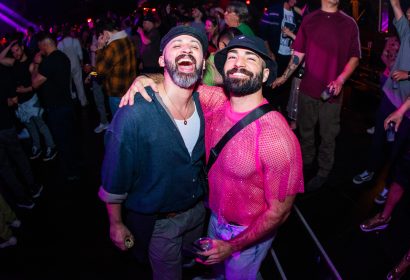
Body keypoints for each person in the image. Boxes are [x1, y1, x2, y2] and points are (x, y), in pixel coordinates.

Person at [121, 35, 304, 280]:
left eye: (250, 58)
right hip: (215, 218)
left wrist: (233, 246)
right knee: (216, 270)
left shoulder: (276, 138)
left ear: (264, 75)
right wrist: (143, 78)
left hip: (248, 230)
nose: (238, 63)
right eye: (232, 56)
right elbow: (176, 82)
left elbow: (279, 212)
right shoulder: (216, 101)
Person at [98, 26, 209, 280]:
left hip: (197, 212)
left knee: (191, 261)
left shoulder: (207, 105)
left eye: (195, 47)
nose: (186, 49)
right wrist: (115, 223)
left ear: (203, 65)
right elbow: (114, 176)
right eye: (177, 44)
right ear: (161, 59)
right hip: (161, 224)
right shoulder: (133, 114)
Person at [272, 0, 361, 191]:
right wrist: (284, 77)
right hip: (307, 89)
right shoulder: (309, 20)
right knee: (305, 130)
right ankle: (306, 162)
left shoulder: (349, 23)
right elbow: (298, 54)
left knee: (328, 136)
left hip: (332, 93)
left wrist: (341, 80)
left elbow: (355, 56)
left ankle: (323, 172)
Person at [352, 0, 410, 204]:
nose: (409, 14)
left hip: (407, 108)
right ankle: (370, 170)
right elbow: (395, 5)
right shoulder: (406, 32)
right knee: (378, 138)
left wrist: (409, 74)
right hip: (390, 98)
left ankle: (387, 186)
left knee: (398, 150)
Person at [31, 32, 79, 180]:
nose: (40, 50)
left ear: (45, 44)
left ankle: (70, 172)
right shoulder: (63, 57)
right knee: (70, 138)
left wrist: (37, 63)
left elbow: (34, 83)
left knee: (62, 140)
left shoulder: (48, 62)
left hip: (56, 108)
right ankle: (75, 165)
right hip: (67, 104)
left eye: (40, 47)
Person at [0, 39, 57, 161]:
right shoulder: (13, 62)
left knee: (41, 125)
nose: (16, 54)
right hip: (20, 103)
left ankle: (51, 147)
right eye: (13, 52)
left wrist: (24, 90)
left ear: (22, 48)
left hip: (31, 99)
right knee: (30, 126)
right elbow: (0, 58)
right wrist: (9, 44)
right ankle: (37, 146)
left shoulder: (31, 64)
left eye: (17, 50)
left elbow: (36, 84)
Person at [95, 18, 137, 116]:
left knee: (119, 126)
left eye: (101, 34)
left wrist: (100, 49)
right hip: (130, 89)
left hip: (117, 94)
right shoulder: (127, 39)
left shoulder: (112, 47)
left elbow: (99, 72)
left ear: (105, 33)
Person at [57, 26, 88, 107]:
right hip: (76, 64)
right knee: (79, 83)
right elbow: (80, 53)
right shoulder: (75, 41)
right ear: (70, 32)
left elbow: (59, 57)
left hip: (66, 67)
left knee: (68, 84)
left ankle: (71, 98)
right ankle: (83, 101)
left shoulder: (60, 43)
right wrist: (81, 62)